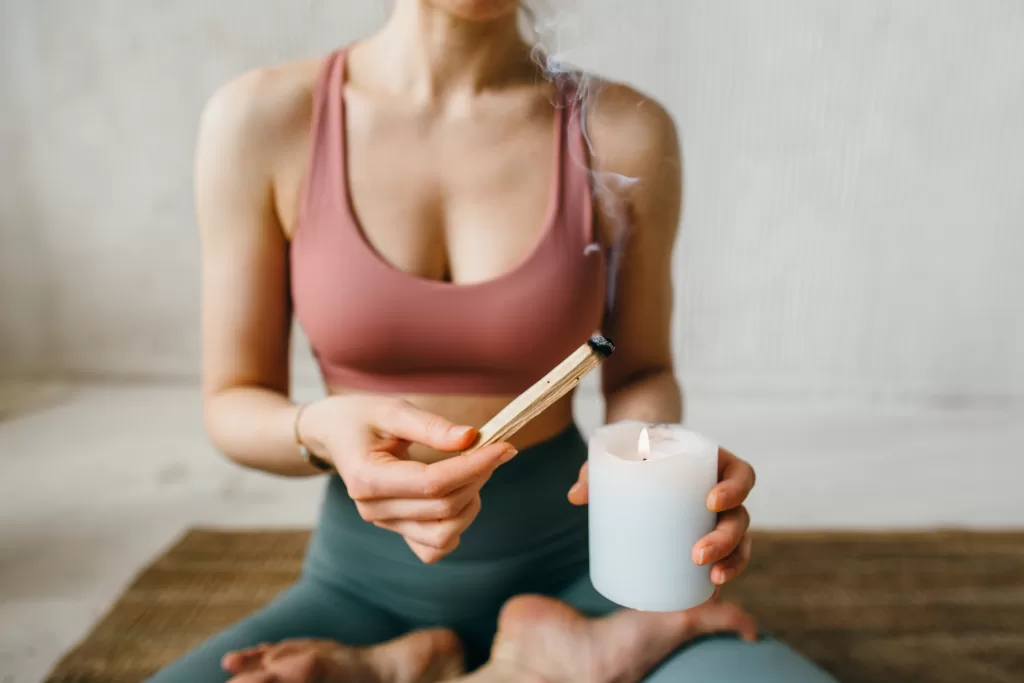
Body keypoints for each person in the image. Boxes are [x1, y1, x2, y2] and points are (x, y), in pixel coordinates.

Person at [151, 0, 840, 681]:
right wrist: (321, 427)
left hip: (588, 580)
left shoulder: (625, 130)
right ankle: (507, 667)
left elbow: (643, 372)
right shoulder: (262, 121)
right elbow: (233, 401)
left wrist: (655, 471)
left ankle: (436, 668)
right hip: (357, 593)